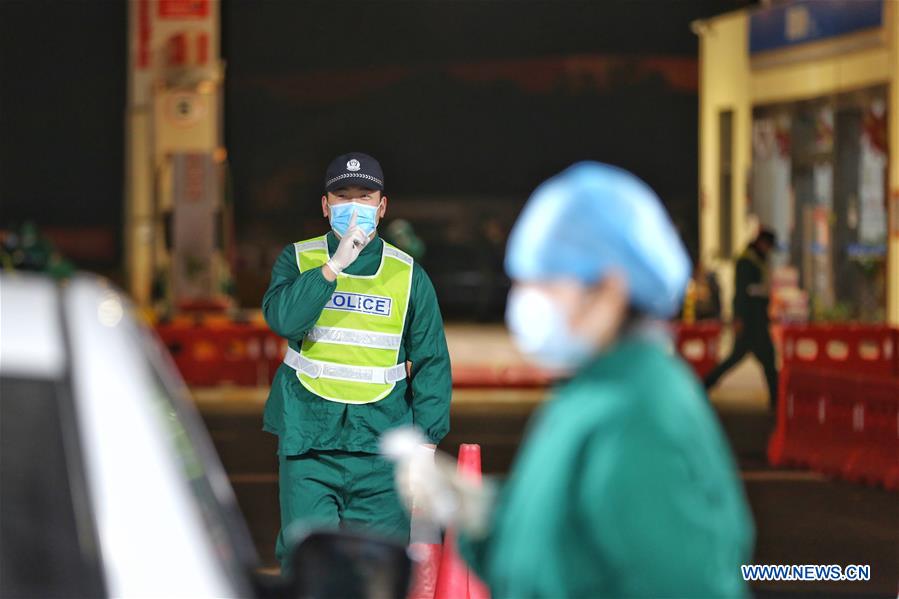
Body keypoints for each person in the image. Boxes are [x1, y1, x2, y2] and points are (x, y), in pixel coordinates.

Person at [387, 162, 754, 597]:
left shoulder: (639, 417)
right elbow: (564, 558)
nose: (526, 301)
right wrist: (484, 516)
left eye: (546, 282)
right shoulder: (594, 392)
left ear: (609, 290)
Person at [262, 152, 451, 569]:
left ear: (382, 207)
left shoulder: (407, 274)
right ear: (326, 205)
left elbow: (432, 360)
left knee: (378, 570)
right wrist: (331, 269)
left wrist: (427, 441)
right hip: (309, 441)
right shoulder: (299, 260)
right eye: (342, 196)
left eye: (364, 196)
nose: (353, 206)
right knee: (308, 564)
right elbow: (283, 320)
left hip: (382, 444)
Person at [704, 229, 779, 410]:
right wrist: (738, 318)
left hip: (757, 320)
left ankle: (703, 387)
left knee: (745, 359)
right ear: (761, 243)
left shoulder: (757, 260)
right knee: (765, 360)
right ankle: (777, 401)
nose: (769, 250)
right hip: (751, 322)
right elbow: (741, 294)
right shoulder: (746, 261)